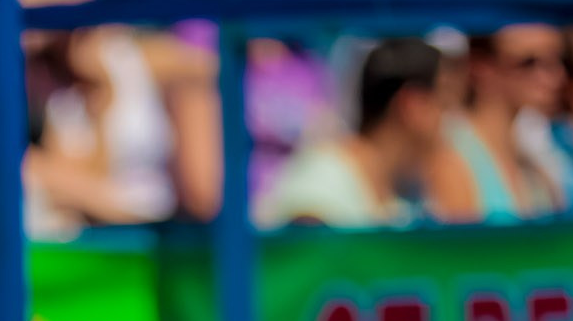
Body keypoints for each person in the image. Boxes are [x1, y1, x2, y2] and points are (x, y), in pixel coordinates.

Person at [24, 26, 222, 227]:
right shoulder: (58, 95)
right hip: (109, 229)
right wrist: (103, 99)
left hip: (169, 227)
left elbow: (202, 193)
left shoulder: (150, 59)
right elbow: (88, 184)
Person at [258, 36, 443, 228]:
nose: (449, 123)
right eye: (444, 105)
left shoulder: (406, 197)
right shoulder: (321, 184)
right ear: (411, 105)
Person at [427, 24, 566, 222]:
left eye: (556, 59)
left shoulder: (532, 162)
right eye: (529, 63)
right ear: (482, 68)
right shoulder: (450, 156)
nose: (555, 76)